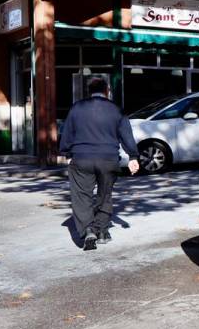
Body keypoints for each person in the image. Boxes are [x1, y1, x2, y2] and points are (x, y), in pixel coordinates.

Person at [59, 77, 140, 251]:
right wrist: (133, 156)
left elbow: (67, 133)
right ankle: (102, 231)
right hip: (109, 158)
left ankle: (88, 229)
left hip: (82, 158)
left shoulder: (77, 108)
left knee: (81, 196)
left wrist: (66, 152)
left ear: (89, 91)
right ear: (107, 90)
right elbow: (126, 134)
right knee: (105, 195)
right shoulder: (116, 110)